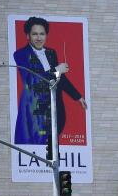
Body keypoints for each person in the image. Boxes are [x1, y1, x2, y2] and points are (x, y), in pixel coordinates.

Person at [12, 16, 88, 147]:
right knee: (36, 147)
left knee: (52, 150)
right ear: (27, 36)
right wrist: (57, 69)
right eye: (34, 34)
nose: (39, 38)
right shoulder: (21, 54)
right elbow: (33, 80)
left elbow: (60, 79)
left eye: (42, 34)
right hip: (34, 110)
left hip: (54, 108)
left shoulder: (51, 53)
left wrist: (77, 96)